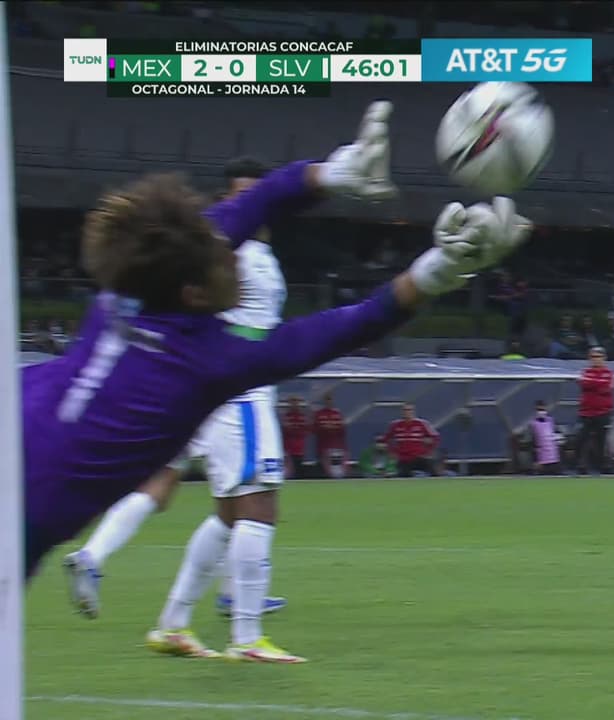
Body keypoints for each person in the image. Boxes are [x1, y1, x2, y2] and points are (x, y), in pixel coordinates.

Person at [24, 101, 532, 663]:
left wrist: (338, 170)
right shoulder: (205, 363)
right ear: (193, 296)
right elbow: (345, 327)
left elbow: (257, 201)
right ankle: (238, 633)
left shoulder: (128, 289)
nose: (237, 262)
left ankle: (181, 617)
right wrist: (443, 268)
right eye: (227, 265)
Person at [62, 157, 290, 621]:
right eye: (241, 194)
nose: (252, 203)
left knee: (164, 486)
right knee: (251, 501)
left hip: (198, 388)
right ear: (228, 199)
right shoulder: (235, 256)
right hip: (231, 389)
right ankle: (238, 614)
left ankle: (95, 556)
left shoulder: (231, 254)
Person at [576, 346, 614, 475]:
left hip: (603, 412)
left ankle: (604, 466)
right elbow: (583, 383)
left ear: (604, 358)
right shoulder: (585, 372)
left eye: (598, 357)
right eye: (592, 357)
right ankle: (582, 466)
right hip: (586, 412)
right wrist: (598, 383)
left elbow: (607, 387)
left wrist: (593, 383)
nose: (595, 359)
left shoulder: (609, 373)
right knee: (582, 439)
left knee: (601, 440)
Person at [385, 403, 443, 477]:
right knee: (402, 475)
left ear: (413, 411)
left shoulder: (422, 423)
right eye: (405, 410)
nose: (407, 412)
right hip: (403, 458)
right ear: (402, 412)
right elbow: (387, 438)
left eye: (409, 410)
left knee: (433, 470)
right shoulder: (395, 425)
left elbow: (435, 437)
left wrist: (429, 451)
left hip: (419, 457)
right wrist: (392, 452)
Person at [314, 393, 348, 479]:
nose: (328, 401)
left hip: (336, 447)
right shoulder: (319, 414)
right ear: (324, 401)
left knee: (337, 472)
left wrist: (330, 427)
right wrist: (328, 428)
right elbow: (315, 429)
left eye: (330, 399)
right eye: (327, 399)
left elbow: (342, 430)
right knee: (325, 472)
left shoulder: (337, 414)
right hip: (323, 447)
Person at [529, 400, 562, 474]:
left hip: (555, 460)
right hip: (542, 462)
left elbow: (559, 439)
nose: (541, 412)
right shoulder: (533, 424)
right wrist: (535, 461)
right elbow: (533, 444)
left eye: (542, 410)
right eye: (539, 410)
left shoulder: (552, 421)